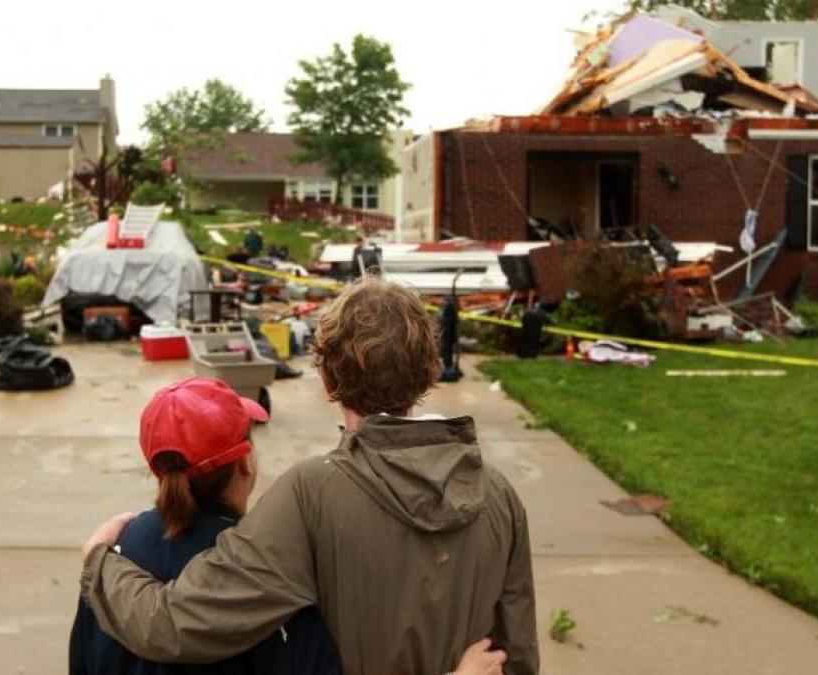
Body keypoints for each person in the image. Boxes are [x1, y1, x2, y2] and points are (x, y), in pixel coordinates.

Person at [81, 278, 539, 674]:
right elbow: (517, 655)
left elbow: (175, 624)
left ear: (325, 379)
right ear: (430, 370)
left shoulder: (311, 494)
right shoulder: (498, 494)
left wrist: (99, 565)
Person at [71, 376, 507, 675]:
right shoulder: (269, 569)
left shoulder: (110, 566)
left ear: (157, 471)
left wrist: (98, 556)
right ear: (246, 462)